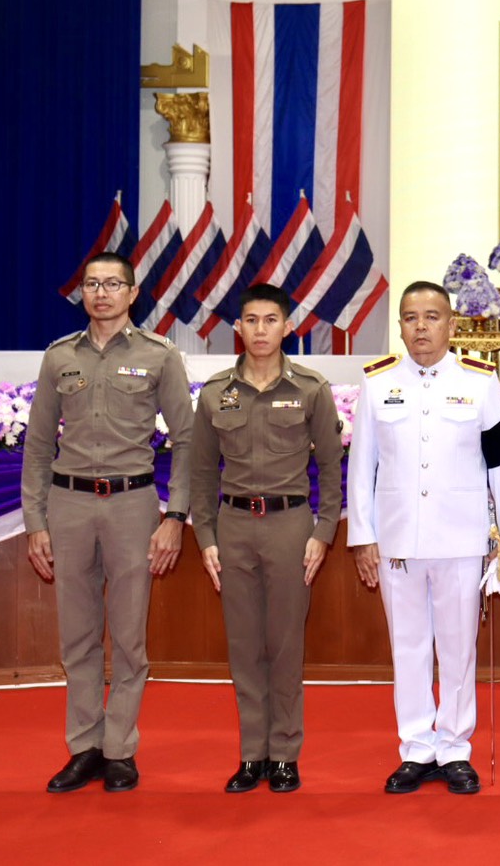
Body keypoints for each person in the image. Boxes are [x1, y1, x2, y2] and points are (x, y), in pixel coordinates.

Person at [23, 251, 195, 794]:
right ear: (83, 294)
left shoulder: (159, 355)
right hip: (69, 505)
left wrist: (175, 517)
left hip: (131, 506)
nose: (101, 293)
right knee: (77, 637)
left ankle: (120, 749)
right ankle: (85, 747)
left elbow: (188, 441)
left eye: (113, 284)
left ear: (132, 292)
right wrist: (35, 522)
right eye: (93, 284)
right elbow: (38, 445)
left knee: (127, 637)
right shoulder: (59, 357)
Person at [347, 281, 500, 795]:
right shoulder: (377, 382)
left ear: (451, 324)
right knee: (408, 647)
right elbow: (362, 466)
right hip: (398, 539)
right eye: (410, 317)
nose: (420, 327)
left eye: (432, 317)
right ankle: (416, 747)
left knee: (458, 646)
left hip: (462, 539)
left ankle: (454, 747)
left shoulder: (480, 382)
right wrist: (362, 535)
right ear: (400, 326)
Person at [190, 283, 345, 794]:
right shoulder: (216, 392)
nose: (260, 330)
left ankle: (284, 754)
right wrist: (205, 536)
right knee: (243, 647)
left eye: (270, 320)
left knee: (283, 646)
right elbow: (201, 472)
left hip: (289, 527)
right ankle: (251, 754)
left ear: (287, 326)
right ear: (238, 328)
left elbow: (331, 468)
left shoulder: (311, 388)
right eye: (252, 321)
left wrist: (323, 532)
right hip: (233, 528)